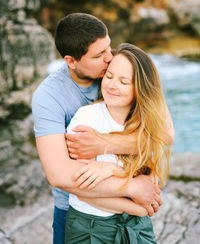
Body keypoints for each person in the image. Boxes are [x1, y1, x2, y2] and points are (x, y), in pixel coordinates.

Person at [32, 13, 174, 244]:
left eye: (109, 46)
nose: (110, 58)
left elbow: (164, 134)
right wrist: (133, 187)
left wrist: (105, 144)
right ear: (71, 61)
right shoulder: (48, 97)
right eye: (99, 55)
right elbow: (59, 174)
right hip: (80, 211)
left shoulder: (119, 66)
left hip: (130, 211)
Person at [65, 43, 172, 243]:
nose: (112, 85)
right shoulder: (86, 119)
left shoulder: (146, 125)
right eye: (110, 76)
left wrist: (110, 170)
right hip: (91, 226)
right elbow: (82, 191)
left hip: (137, 227)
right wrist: (136, 205)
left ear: (140, 88)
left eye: (124, 81)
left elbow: (150, 185)